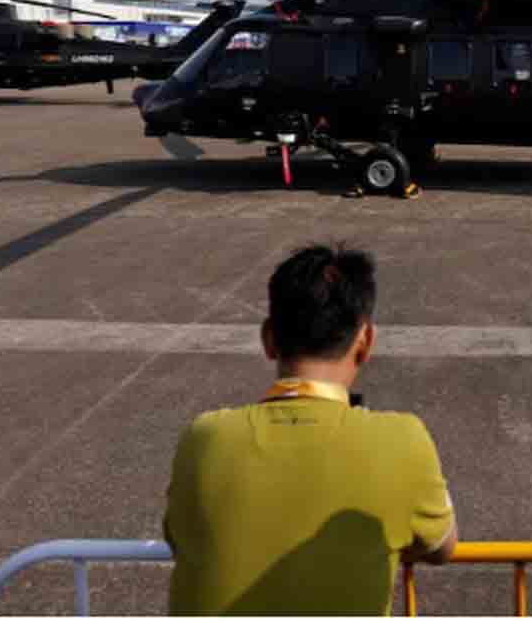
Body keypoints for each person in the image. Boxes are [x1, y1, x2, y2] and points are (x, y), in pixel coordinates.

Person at [163, 244, 458, 615]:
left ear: (269, 339)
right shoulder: (405, 440)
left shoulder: (203, 438)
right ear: (365, 341)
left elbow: (181, 538)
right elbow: (443, 546)